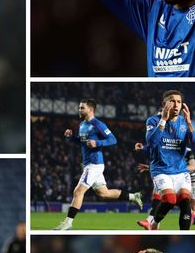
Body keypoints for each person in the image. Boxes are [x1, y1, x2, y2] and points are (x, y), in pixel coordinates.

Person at [54, 99, 143, 230]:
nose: (79, 110)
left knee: (78, 192)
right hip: (88, 164)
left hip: (94, 164)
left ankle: (68, 223)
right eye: (79, 108)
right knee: (103, 193)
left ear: (90, 110)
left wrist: (98, 143)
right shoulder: (82, 125)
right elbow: (83, 142)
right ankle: (133, 196)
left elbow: (113, 139)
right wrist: (72, 137)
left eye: (82, 108)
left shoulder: (98, 124)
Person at [143, 90, 195, 230]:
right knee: (169, 200)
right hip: (161, 170)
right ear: (164, 104)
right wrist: (163, 120)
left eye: (179, 102)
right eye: (172, 101)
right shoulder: (153, 121)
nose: (176, 104)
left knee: (185, 205)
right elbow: (151, 143)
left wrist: (189, 124)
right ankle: (154, 224)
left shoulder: (186, 123)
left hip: (180, 171)